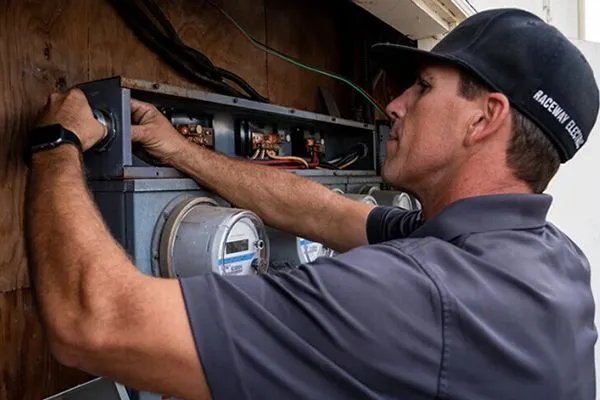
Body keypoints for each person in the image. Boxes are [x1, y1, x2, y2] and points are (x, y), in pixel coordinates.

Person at [25, 8, 598, 400]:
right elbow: (325, 213)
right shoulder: (549, 259)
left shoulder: (418, 295)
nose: (395, 105)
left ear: (485, 117)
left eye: (422, 86)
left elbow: (93, 322)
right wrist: (182, 151)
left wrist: (57, 145)